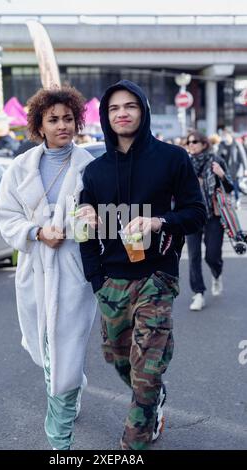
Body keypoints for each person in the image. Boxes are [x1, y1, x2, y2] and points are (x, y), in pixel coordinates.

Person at [79, 80, 206, 450]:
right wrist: (97, 281)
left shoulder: (172, 159)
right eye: (114, 108)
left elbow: (196, 213)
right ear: (105, 116)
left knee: (147, 368)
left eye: (130, 105)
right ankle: (154, 398)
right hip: (112, 281)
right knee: (122, 362)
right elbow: (85, 229)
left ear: (144, 110)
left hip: (156, 277)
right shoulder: (96, 172)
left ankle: (134, 442)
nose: (122, 113)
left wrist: (159, 221)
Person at [0, 85, 97, 450]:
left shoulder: (90, 164)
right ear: (39, 124)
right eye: (53, 119)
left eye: (68, 118)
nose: (62, 125)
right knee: (44, 351)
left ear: (77, 121)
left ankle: (59, 442)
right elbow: (6, 217)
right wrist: (36, 232)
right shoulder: (20, 167)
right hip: (34, 270)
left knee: (64, 353)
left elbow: (106, 212)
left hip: (72, 271)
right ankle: (72, 386)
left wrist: (90, 219)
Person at [186, 131, 233, 311]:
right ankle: (198, 293)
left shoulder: (215, 160)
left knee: (212, 255)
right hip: (191, 215)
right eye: (188, 142)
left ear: (204, 143)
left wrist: (221, 174)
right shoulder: (185, 163)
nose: (191, 144)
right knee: (193, 256)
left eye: (195, 141)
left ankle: (216, 273)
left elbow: (230, 186)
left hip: (213, 215)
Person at [218, 128, 247, 210]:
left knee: (235, 186)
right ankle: (229, 202)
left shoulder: (236, 144)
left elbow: (243, 156)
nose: (225, 137)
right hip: (225, 169)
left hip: (236, 170)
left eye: (227, 135)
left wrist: (245, 169)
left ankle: (237, 201)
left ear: (230, 135)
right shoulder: (222, 144)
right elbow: (218, 156)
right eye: (224, 136)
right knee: (227, 186)